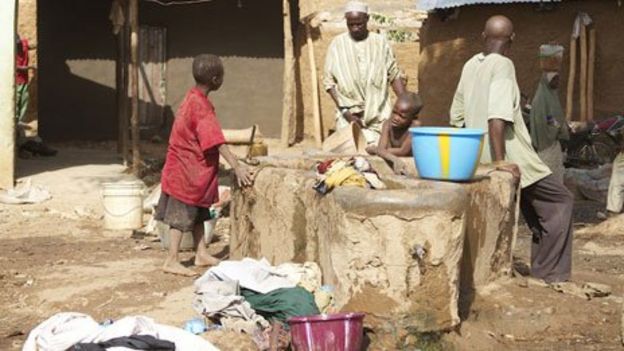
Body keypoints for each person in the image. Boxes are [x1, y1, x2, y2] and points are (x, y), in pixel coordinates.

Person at [450, 15, 573, 283]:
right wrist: (499, 162)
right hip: (510, 154)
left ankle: (542, 268)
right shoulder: (504, 65)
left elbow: (456, 116)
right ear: (513, 40)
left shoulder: (471, 65)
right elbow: (497, 118)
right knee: (560, 202)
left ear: (483, 36)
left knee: (534, 207)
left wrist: (475, 154)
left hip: (479, 151)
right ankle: (550, 273)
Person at [155, 54, 253, 277]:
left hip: (191, 168)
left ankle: (201, 253)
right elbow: (215, 140)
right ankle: (171, 259)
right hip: (186, 170)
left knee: (200, 213)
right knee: (180, 217)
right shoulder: (200, 106)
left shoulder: (192, 97)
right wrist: (237, 166)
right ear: (216, 79)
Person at [323, 1, 406, 145]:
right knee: (351, 157)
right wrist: (345, 112)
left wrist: (405, 101)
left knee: (379, 154)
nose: (354, 28)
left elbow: (393, 74)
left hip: (378, 115)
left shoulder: (380, 43)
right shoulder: (337, 45)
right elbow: (329, 83)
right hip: (348, 116)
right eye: (350, 24)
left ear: (367, 19)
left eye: (359, 24)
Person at [528, 46, 569, 183]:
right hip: (547, 144)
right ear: (547, 81)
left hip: (552, 144)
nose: (557, 83)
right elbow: (547, 118)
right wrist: (558, 127)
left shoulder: (550, 96)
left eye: (558, 79)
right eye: (555, 80)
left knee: (556, 173)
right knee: (549, 173)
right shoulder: (542, 99)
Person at [15, 34, 57, 157]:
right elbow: (15, 66)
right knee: (17, 103)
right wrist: (28, 67)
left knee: (24, 101)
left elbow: (32, 46)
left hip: (24, 80)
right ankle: (17, 123)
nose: (17, 46)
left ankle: (19, 121)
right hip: (15, 81)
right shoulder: (10, 49)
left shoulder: (23, 43)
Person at [366, 92, 422, 175]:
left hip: (411, 163)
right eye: (394, 112)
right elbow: (381, 147)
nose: (396, 118)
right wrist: (392, 158)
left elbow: (403, 151)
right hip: (391, 159)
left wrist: (376, 150)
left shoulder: (415, 126)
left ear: (413, 118)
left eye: (402, 116)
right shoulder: (387, 124)